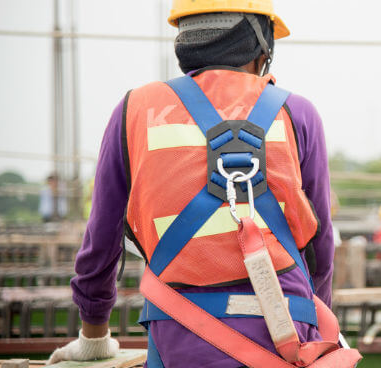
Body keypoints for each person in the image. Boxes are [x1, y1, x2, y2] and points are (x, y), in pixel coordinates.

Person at [47, 1, 360, 366]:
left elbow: (100, 242)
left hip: (178, 338)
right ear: (263, 46)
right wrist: (315, 323)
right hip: (286, 337)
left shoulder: (134, 110)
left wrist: (94, 336)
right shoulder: (296, 112)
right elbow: (319, 246)